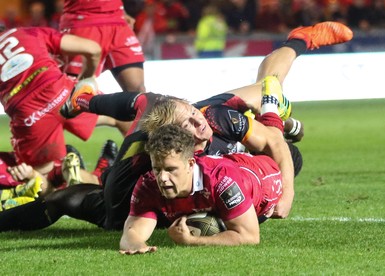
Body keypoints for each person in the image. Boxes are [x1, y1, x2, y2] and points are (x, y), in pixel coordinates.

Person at [0, 21, 353, 232]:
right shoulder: (183, 131)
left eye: (192, 114)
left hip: (193, 152)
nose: (198, 120)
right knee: (79, 199)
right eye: (190, 119)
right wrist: (85, 101)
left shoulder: (223, 129)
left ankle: (299, 40)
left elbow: (273, 150)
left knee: (269, 88)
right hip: (125, 191)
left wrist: (285, 193)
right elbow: (131, 106)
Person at [120, 124, 283, 253]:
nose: (162, 178)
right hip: (225, 165)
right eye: (157, 169)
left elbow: (249, 236)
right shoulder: (149, 184)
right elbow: (131, 232)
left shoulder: (222, 180)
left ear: (190, 164)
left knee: (275, 137)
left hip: (263, 176)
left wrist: (191, 241)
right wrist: (136, 244)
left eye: (170, 169)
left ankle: (275, 110)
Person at [0, 26, 124, 194]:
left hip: (28, 113)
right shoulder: (27, 33)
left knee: (40, 176)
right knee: (120, 115)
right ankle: (145, 167)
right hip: (61, 92)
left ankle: (73, 180)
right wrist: (87, 78)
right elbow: (93, 49)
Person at [59, 0, 146, 93]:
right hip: (84, 21)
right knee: (76, 93)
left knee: (138, 91)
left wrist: (122, 11)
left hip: (117, 21)